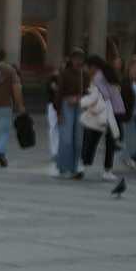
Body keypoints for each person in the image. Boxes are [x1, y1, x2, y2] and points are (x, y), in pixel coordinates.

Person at [79, 56, 123, 179]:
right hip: (118, 109)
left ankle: (84, 166)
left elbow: (104, 94)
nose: (88, 70)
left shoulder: (97, 77)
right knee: (111, 142)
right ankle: (107, 170)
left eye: (89, 67)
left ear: (93, 66)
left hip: (104, 112)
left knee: (92, 139)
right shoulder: (109, 73)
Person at [49, 48, 87, 179]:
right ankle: (63, 165)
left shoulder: (85, 74)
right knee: (66, 137)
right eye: (76, 58)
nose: (78, 61)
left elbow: (89, 91)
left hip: (81, 105)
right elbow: (59, 93)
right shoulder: (66, 73)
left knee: (78, 137)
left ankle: (75, 166)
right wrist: (58, 111)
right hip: (67, 104)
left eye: (80, 58)